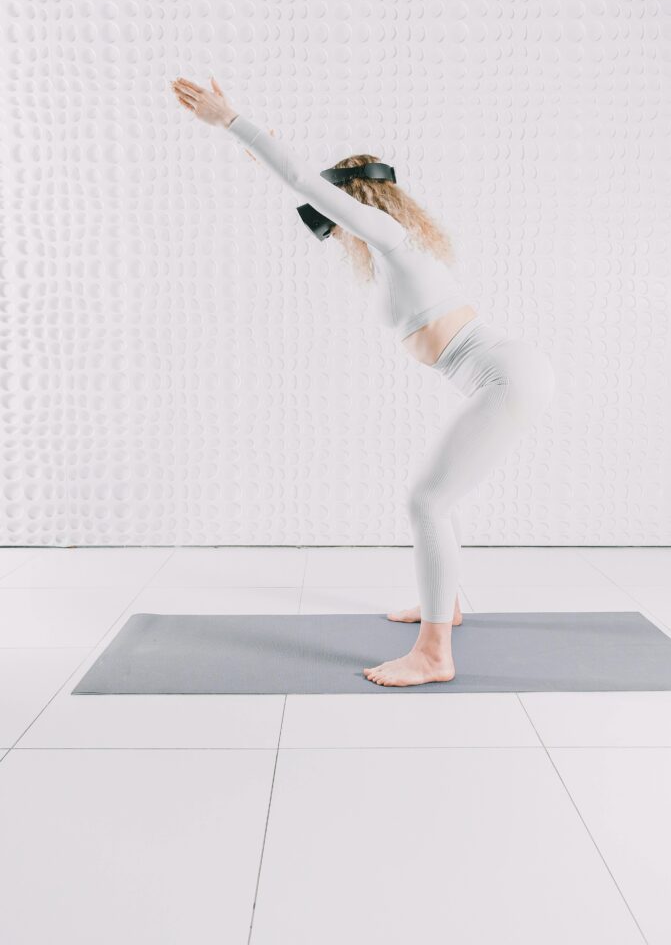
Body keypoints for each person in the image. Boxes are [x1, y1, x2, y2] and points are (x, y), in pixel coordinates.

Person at [171, 76, 556, 687]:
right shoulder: (396, 251)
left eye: (336, 207)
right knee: (439, 498)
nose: (331, 223)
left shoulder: (394, 239)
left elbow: (301, 181)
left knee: (425, 500)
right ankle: (445, 606)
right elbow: (297, 179)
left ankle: (433, 654)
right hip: (507, 374)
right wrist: (256, 148)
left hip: (505, 377)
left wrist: (231, 120)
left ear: (356, 202)